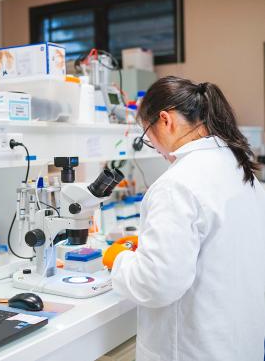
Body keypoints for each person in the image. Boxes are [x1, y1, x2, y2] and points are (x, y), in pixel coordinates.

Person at [110, 76, 265, 361]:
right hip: (240, 341)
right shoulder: (236, 165)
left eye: (148, 136)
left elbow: (156, 284)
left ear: (166, 120)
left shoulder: (176, 184)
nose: (154, 147)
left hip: (197, 348)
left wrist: (118, 258)